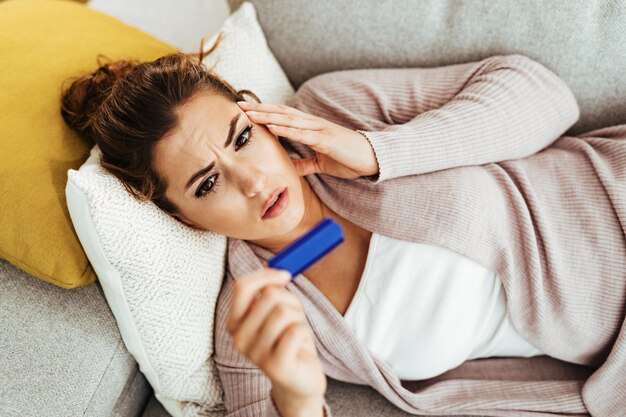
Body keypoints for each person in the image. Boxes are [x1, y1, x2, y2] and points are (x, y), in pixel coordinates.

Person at [60, 48, 626, 417]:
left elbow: (545, 94)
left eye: (241, 139)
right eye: (208, 185)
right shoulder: (254, 314)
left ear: (258, 116)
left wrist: (376, 151)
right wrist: (299, 397)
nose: (255, 182)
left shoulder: (334, 109)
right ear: (182, 217)